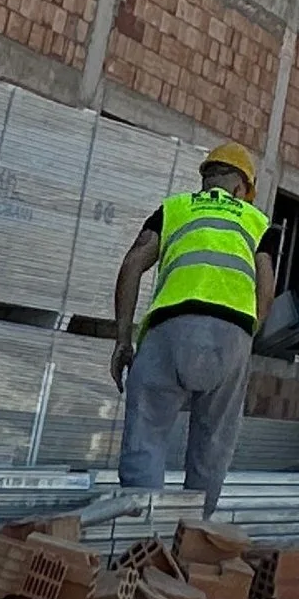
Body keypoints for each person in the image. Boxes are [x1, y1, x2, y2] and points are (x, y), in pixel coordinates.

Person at [111, 142, 272, 518]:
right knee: (213, 443)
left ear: (205, 180)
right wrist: (248, 338)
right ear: (240, 189)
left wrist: (123, 338)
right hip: (231, 332)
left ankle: (142, 539)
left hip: (168, 329)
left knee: (146, 435)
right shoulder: (256, 221)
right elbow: (267, 287)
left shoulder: (174, 209)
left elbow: (133, 263)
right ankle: (192, 537)